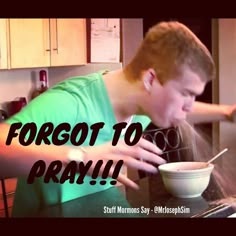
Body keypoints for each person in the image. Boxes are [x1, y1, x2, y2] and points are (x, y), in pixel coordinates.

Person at [0, 21, 236, 217]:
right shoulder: (69, 104)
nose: (188, 105)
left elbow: (182, 109)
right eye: (186, 93)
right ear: (151, 80)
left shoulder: (141, 106)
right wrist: (81, 156)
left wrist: (227, 112)